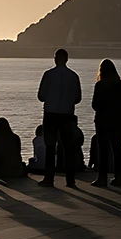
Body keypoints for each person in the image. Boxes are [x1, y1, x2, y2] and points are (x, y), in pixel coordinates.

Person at [37, 48, 82, 188]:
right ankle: (70, 179)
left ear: (55, 58)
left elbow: (41, 96)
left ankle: (49, 178)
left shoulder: (48, 75)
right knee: (68, 148)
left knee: (50, 147)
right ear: (67, 59)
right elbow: (77, 98)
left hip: (50, 114)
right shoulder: (73, 76)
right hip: (67, 115)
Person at [91, 59, 121, 187]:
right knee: (117, 150)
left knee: (103, 150)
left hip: (102, 120)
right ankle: (119, 178)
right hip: (117, 120)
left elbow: (94, 104)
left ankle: (102, 178)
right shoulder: (120, 85)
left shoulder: (100, 85)